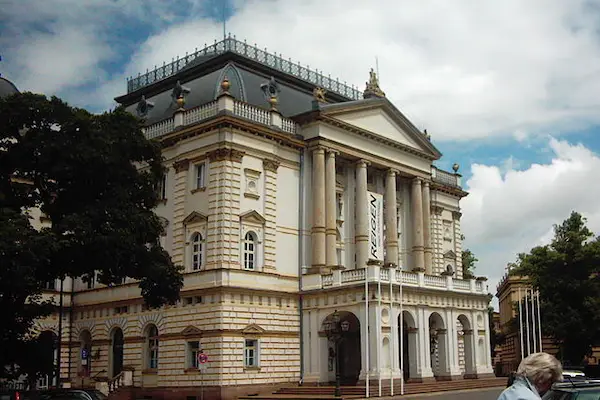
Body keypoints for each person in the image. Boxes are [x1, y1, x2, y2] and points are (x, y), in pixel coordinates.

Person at [497, 352, 563, 400]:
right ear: (541, 379)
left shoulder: (506, 393)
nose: (549, 388)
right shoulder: (529, 398)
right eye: (551, 382)